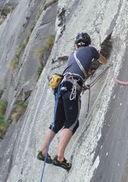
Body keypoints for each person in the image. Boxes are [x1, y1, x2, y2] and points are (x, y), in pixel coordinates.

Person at [37, 32, 107, 171]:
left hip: (61, 87)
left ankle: (43, 151)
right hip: (72, 86)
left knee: (57, 122)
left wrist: (81, 86)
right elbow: (103, 60)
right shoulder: (91, 50)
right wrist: (99, 55)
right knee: (72, 123)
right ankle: (60, 157)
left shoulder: (71, 56)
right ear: (88, 43)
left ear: (76, 45)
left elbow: (76, 70)